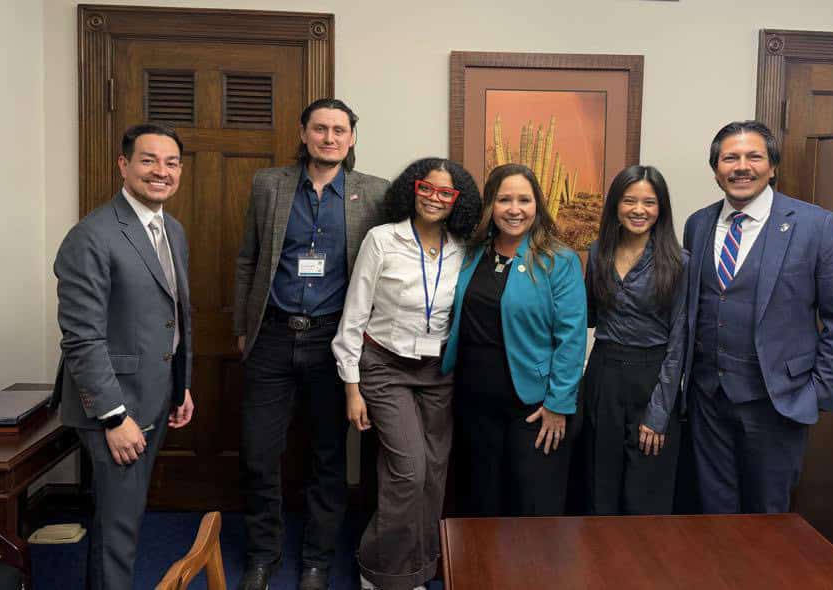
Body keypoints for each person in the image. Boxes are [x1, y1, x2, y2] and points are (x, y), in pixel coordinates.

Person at [233, 99, 389, 590]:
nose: (329, 138)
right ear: (303, 133)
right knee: (259, 454)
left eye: (339, 130)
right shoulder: (269, 185)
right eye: (320, 129)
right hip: (272, 336)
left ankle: (317, 561)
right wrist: (243, 326)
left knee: (328, 457)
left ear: (352, 138)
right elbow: (248, 258)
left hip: (332, 341)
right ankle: (262, 555)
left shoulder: (375, 193)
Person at [683, 120, 833, 514]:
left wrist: (817, 393)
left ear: (773, 166)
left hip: (778, 402)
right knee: (713, 512)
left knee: (767, 519)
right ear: (716, 170)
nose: (741, 167)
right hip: (707, 399)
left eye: (754, 157)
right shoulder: (698, 224)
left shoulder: (817, 226)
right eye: (730, 158)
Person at [51, 123, 195, 590]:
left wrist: (181, 385)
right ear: (123, 165)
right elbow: (82, 339)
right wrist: (114, 418)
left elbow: (172, 315)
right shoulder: (91, 236)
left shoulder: (171, 229)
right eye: (148, 160)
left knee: (124, 518)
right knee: (118, 528)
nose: (161, 172)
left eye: (171, 163)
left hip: (155, 395)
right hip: (115, 408)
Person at [332, 158, 481, 590]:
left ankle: (419, 568)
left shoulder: (462, 249)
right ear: (412, 190)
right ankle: (378, 570)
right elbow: (354, 317)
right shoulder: (382, 240)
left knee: (433, 474)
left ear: (457, 201)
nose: (435, 198)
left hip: (438, 373)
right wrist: (352, 388)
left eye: (446, 192)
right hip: (385, 368)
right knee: (409, 471)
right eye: (426, 188)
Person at [442, 163, 587, 517]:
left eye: (524, 200)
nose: (514, 209)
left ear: (538, 205)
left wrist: (558, 404)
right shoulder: (472, 253)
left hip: (533, 406)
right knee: (480, 502)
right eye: (504, 199)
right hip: (473, 401)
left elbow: (571, 338)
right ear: (490, 205)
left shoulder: (559, 260)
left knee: (530, 505)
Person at [583, 165, 688, 515]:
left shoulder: (679, 262)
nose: (639, 210)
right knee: (599, 486)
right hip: (603, 375)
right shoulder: (598, 252)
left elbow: (679, 343)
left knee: (646, 491)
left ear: (661, 209)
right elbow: (588, 316)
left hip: (653, 378)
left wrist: (659, 413)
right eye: (629, 200)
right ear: (616, 205)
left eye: (649, 202)